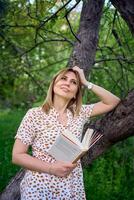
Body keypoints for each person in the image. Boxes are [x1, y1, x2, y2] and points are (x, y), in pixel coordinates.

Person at [12, 66, 120, 200]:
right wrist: (52, 168)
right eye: (63, 78)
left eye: (74, 82)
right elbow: (17, 155)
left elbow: (113, 101)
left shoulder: (79, 113)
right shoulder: (34, 114)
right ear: (53, 85)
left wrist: (86, 82)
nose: (67, 83)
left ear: (75, 93)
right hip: (39, 186)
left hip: (71, 186)